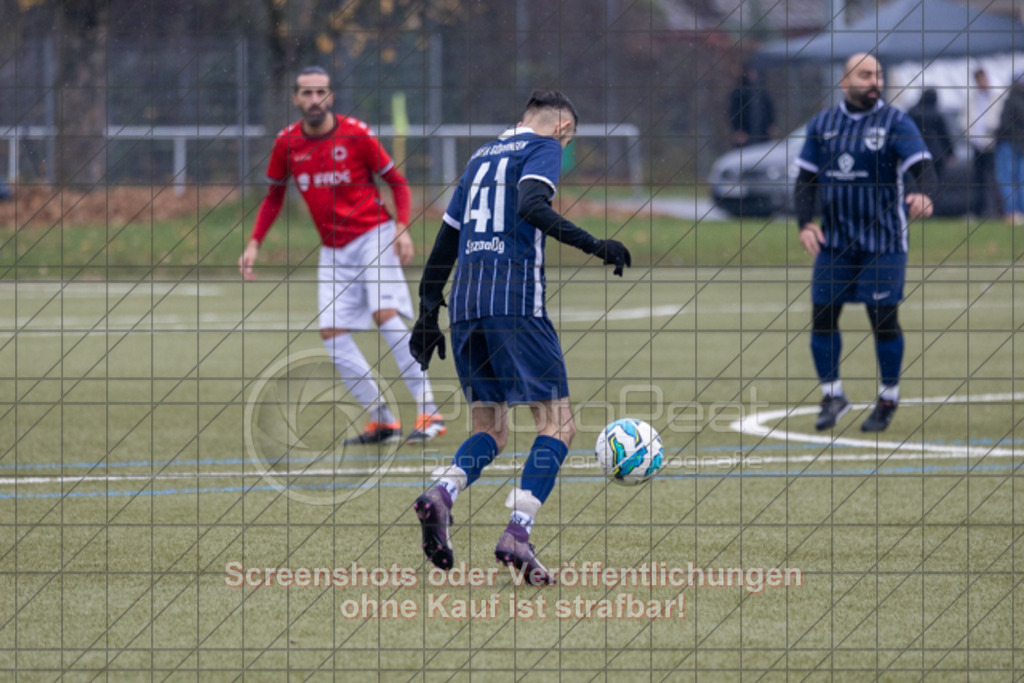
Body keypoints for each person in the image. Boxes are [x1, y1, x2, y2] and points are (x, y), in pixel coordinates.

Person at [408, 90, 631, 585]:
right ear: (562, 128)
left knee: (490, 429)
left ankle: (442, 494)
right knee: (558, 425)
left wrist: (427, 312)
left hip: (466, 306)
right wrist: (595, 245)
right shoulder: (545, 146)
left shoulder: (480, 157)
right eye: (568, 139)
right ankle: (518, 532)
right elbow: (532, 204)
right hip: (514, 302)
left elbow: (445, 243)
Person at [238, 65, 445, 444]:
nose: (314, 99)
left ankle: (429, 411)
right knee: (332, 332)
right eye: (306, 93)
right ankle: (382, 420)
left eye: (321, 92)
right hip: (334, 249)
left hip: (374, 235)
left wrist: (401, 227)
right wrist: (254, 242)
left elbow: (397, 183)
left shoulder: (356, 133)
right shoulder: (286, 143)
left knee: (385, 316)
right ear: (295, 98)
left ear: (330, 96)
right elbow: (274, 197)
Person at [794, 53, 936, 433]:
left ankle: (888, 396)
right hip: (836, 241)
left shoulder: (895, 121)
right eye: (865, 74)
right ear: (845, 82)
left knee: (883, 319)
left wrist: (921, 193)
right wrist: (805, 223)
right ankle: (832, 394)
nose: (875, 80)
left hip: (884, 241)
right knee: (822, 316)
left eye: (878, 74)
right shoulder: (823, 125)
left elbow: (922, 166)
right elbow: (806, 181)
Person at [964, 68, 1003, 218]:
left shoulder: (996, 96)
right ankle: (980, 211)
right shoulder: (973, 98)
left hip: (992, 145)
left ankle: (994, 211)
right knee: (978, 180)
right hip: (977, 144)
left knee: (993, 179)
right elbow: (966, 118)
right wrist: (970, 134)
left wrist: (993, 131)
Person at [994, 71, 1024, 224]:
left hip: (1008, 144)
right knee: (1021, 179)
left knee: (1006, 179)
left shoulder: (1010, 100)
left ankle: (1013, 213)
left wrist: (995, 133)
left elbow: (1004, 124)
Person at [728, 65, 778, 148]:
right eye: (751, 72)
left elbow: (769, 108)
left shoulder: (761, 90)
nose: (753, 74)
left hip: (763, 133)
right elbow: (734, 112)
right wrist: (739, 130)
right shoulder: (738, 92)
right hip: (746, 134)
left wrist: (771, 124)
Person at [908, 89, 953, 176]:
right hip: (935, 153)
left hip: (917, 151)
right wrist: (950, 152)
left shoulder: (913, 112)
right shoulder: (936, 114)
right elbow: (944, 135)